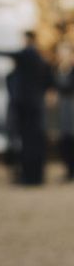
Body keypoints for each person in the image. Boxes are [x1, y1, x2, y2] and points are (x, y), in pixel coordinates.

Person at [0, 31, 52, 185]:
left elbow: (12, 54)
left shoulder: (30, 55)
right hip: (33, 108)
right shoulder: (40, 61)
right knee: (32, 143)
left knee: (29, 144)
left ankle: (30, 177)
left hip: (28, 110)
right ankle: (34, 176)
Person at [53, 42, 74, 180]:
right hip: (62, 108)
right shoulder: (56, 70)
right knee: (64, 139)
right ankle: (68, 169)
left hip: (72, 107)